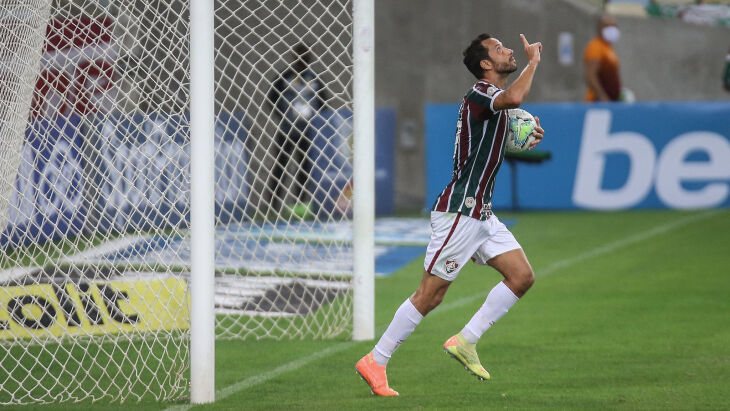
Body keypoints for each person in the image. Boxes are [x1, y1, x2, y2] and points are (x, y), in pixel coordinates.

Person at [355, 33, 545, 396]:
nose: (508, 51)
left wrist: (526, 135)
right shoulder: (480, 94)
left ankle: (466, 340)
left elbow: (502, 130)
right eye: (500, 49)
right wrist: (533, 62)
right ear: (486, 64)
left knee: (521, 276)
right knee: (430, 295)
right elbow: (515, 98)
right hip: (460, 211)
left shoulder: (495, 105)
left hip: (482, 214)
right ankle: (376, 361)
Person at [266, 43, 329, 216]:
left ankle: (299, 206)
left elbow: (324, 104)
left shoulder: (315, 81)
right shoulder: (284, 78)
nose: (303, 61)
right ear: (294, 58)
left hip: (307, 133)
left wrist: (315, 120)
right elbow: (271, 99)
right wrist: (284, 115)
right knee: (280, 167)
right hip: (287, 131)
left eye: (306, 57)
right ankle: (271, 205)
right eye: (300, 57)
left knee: (304, 170)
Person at [583, 14, 622, 102]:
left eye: (614, 26)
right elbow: (590, 76)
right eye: (607, 26)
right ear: (600, 28)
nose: (611, 29)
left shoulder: (608, 48)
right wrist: (602, 97)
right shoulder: (595, 47)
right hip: (597, 102)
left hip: (611, 101)